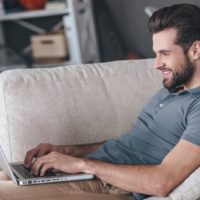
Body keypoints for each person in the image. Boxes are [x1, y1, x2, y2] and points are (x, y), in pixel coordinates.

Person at [24, 4, 200, 200]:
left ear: (195, 50)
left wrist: (81, 165)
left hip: (110, 186)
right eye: (156, 54)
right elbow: (129, 145)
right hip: (93, 173)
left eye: (165, 54)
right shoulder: (170, 89)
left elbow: (161, 182)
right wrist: (68, 151)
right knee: (7, 176)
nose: (156, 64)